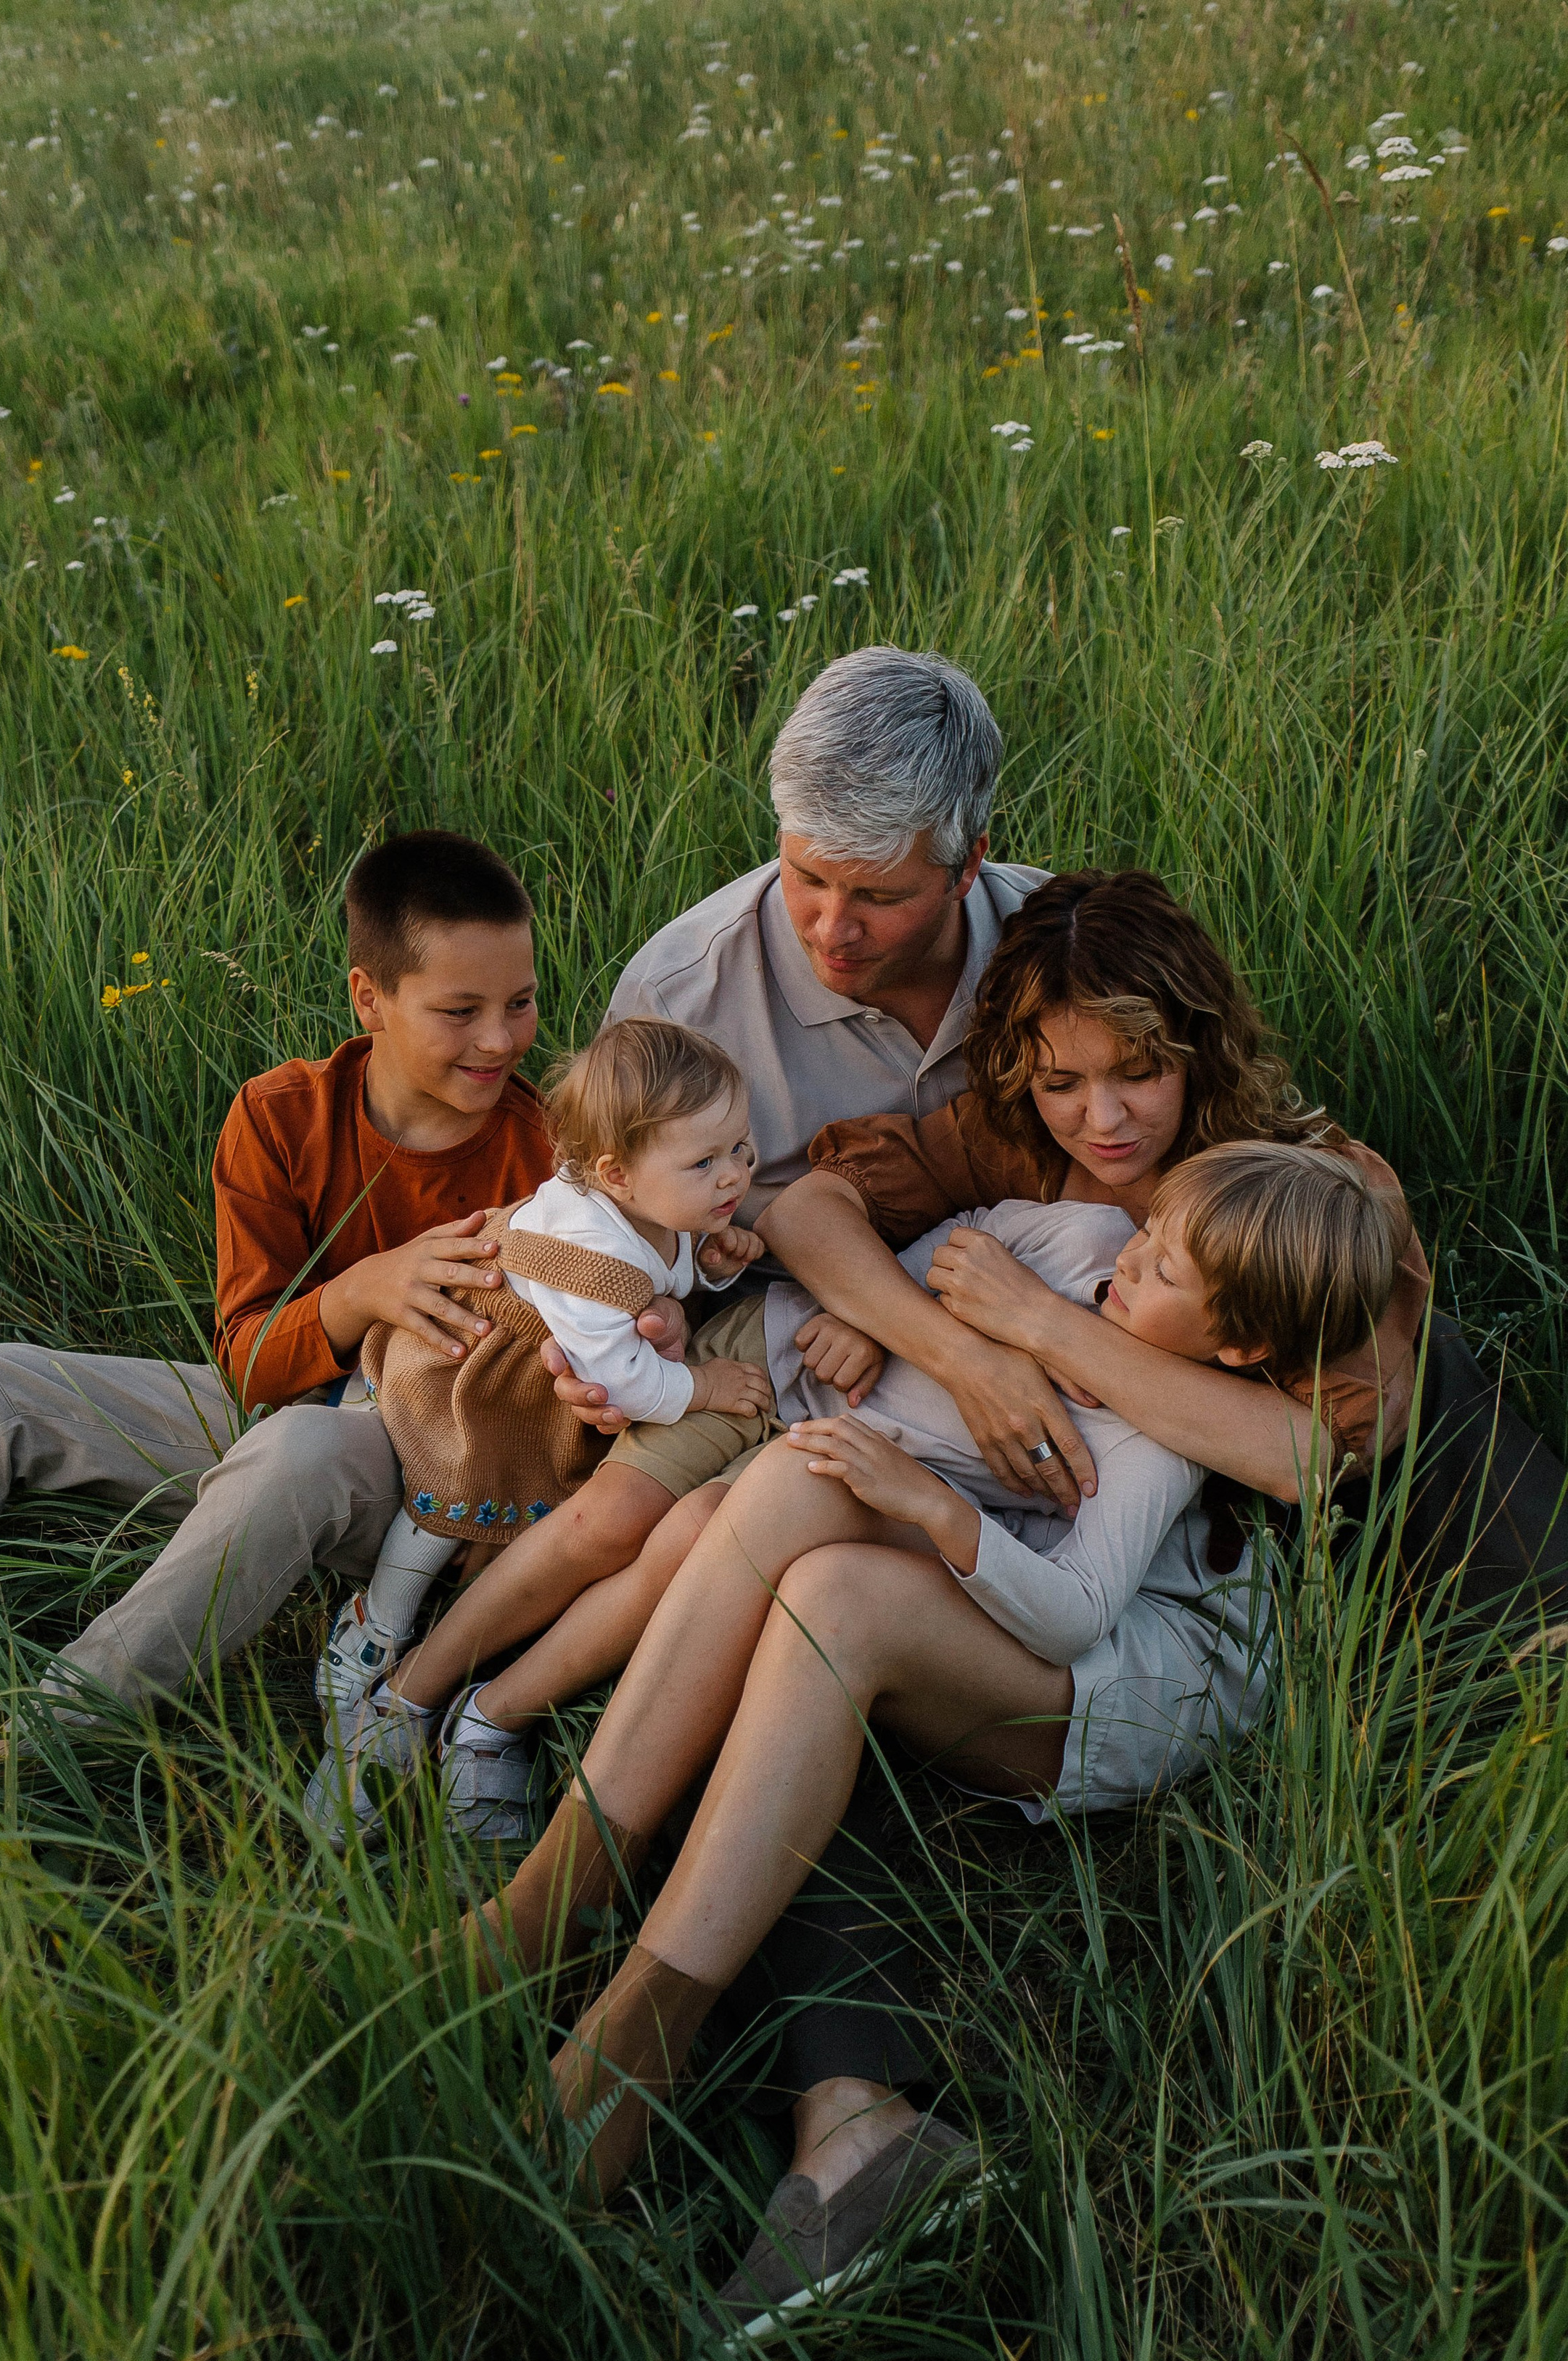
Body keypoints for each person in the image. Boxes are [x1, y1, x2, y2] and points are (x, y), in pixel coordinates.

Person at [440, 870, 1438, 2320]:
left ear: (1197, 1050)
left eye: (1135, 1076)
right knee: (791, 1501)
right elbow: (825, 1218)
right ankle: (561, 1896)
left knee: (839, 1593)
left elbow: (1306, 1455)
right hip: (1010, 1561)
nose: (1098, 1123)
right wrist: (918, 1335)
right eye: (1062, 1084)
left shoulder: (1290, 1213)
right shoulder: (1071, 1207)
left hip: (1129, 1638)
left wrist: (1028, 1354)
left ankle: (635, 2024)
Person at [336, 646, 1048, 1795]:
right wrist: (628, 1336)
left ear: (968, 865)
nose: (832, 927)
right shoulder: (686, 992)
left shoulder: (1051, 952)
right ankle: (439, 1696)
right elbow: (613, 1235)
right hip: (750, 1353)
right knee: (661, 1532)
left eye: (880, 896)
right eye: (807, 876)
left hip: (981, 1340)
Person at [0, 832, 555, 1758]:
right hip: (283, 1404)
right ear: (369, 997)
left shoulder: (548, 1157)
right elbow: (247, 1363)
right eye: (460, 1011)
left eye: (520, 1002)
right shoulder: (282, 1116)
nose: (499, 1039)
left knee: (294, 1449)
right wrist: (361, 1291)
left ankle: (53, 1736)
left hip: (435, 1478)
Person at [313, 1021, 772, 1844]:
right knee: (449, 1493)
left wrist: (710, 1263)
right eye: (706, 1162)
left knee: (502, 1504)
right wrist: (703, 1384)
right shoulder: (590, 1257)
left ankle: (440, 1669)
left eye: (740, 1146)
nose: (735, 1173)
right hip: (469, 1371)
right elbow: (624, 1383)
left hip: (533, 1377)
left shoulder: (658, 1202)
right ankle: (378, 1622)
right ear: (615, 1175)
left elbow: (669, 1267)